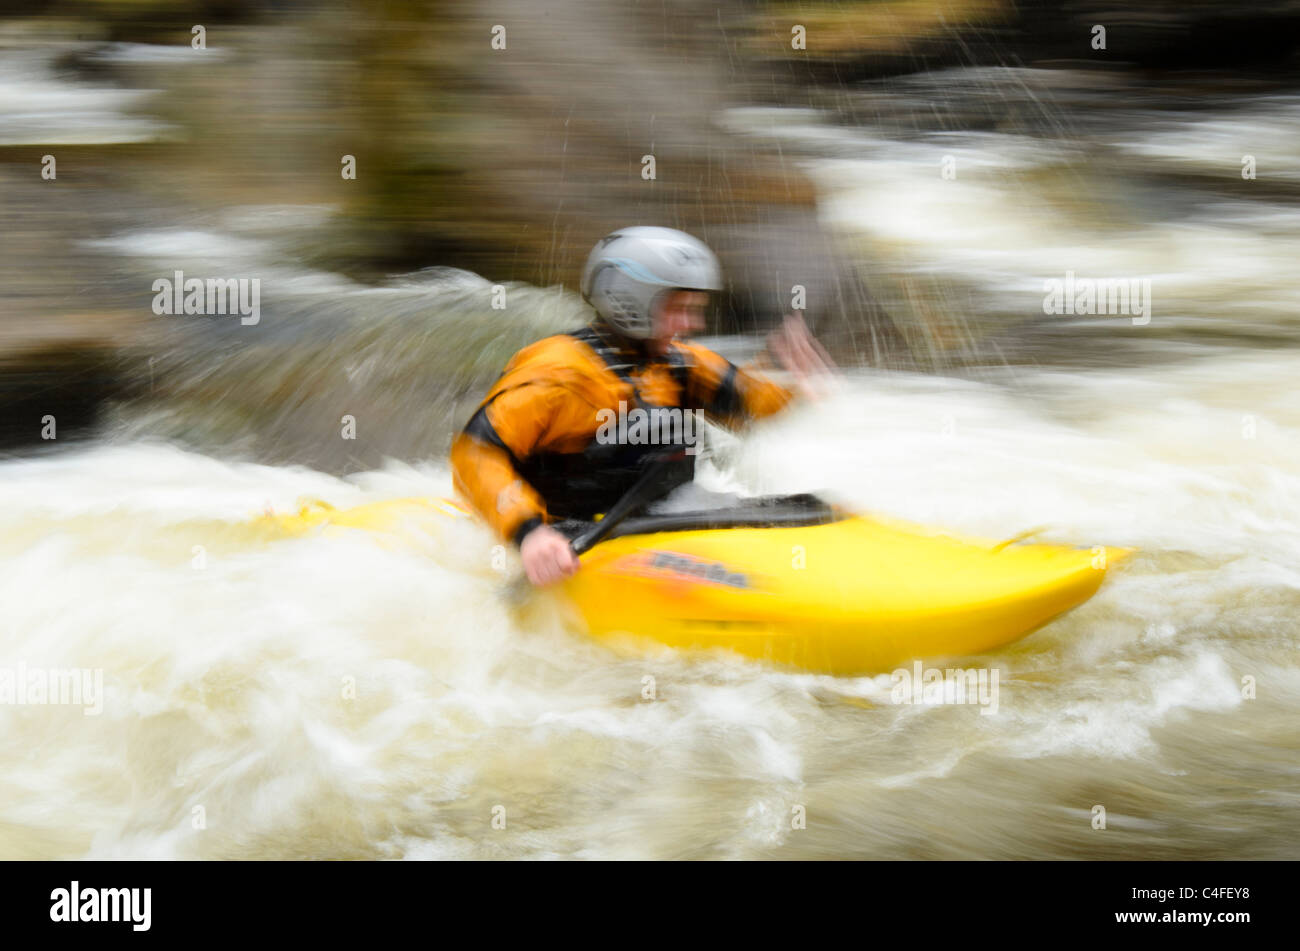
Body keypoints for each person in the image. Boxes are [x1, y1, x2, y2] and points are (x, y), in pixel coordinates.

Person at [450, 226, 833, 586]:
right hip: (558, 535)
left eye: (694, 308)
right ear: (629, 301)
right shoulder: (558, 373)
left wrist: (787, 379)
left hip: (647, 520)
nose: (692, 322)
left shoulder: (680, 365)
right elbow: (475, 453)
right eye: (678, 308)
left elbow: (746, 406)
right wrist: (529, 534)